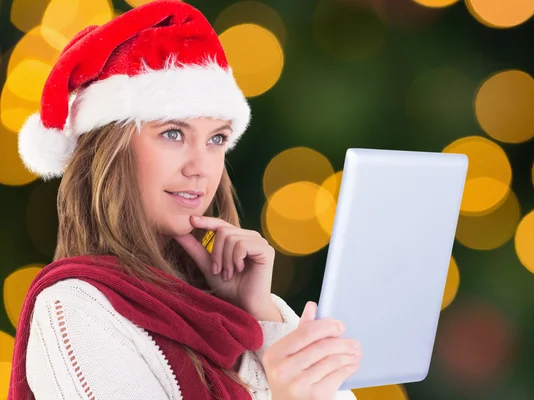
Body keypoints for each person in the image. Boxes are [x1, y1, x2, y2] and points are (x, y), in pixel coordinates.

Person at [7, 1, 362, 399]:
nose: (201, 168)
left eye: (217, 139)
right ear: (110, 149)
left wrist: (259, 314)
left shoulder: (232, 307)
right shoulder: (75, 309)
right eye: (174, 133)